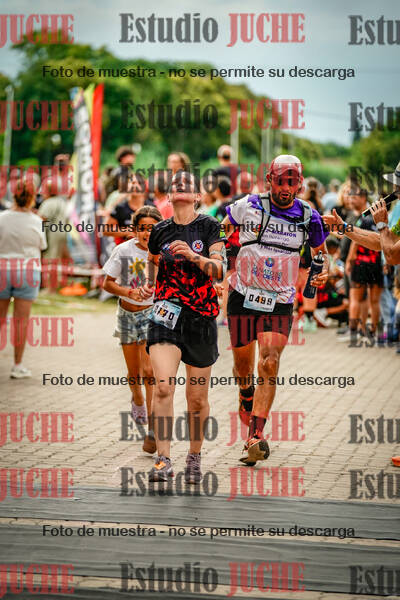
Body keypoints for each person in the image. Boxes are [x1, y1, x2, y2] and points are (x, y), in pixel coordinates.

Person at [221, 155, 329, 465]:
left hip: (279, 301)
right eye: (280, 182)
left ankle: (255, 436)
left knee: (269, 362)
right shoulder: (249, 205)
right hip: (243, 295)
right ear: (270, 180)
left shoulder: (309, 216)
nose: (285, 189)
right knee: (243, 367)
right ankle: (245, 393)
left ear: (299, 184)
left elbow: (322, 254)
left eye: (291, 183)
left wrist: (323, 271)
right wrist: (222, 261)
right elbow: (221, 231)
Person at [137, 171, 226, 483]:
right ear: (169, 195)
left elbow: (219, 270)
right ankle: (163, 459)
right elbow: (152, 260)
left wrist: (192, 255)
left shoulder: (211, 226)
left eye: (188, 183)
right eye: (175, 183)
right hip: (166, 315)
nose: (180, 186)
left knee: (196, 399)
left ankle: (194, 456)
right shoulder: (160, 230)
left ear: (198, 196)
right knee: (163, 387)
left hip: (201, 318)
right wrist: (149, 284)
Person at [103, 206, 163, 455]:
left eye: (152, 228)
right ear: (135, 230)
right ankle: (137, 398)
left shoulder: (163, 253)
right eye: (142, 228)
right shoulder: (123, 250)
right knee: (133, 372)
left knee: (149, 371)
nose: (147, 233)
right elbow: (107, 284)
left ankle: (152, 429)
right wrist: (129, 292)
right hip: (126, 314)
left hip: (151, 313)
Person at [0, 180, 47, 378]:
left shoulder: (1, 218)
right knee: (21, 322)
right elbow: (42, 246)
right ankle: (17, 365)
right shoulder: (37, 221)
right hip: (28, 272)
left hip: (2, 269)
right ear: (32, 197)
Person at [103, 173, 146, 244]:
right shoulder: (120, 207)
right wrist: (126, 231)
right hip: (124, 248)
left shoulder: (150, 206)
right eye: (133, 182)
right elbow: (105, 230)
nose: (135, 186)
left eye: (139, 183)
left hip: (145, 249)